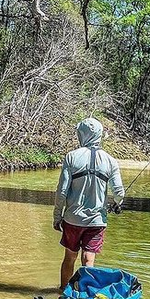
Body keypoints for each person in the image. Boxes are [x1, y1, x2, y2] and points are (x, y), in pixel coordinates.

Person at [53, 118, 124, 290]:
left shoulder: (71, 157)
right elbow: (119, 192)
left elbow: (61, 192)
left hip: (72, 219)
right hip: (97, 221)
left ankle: (64, 294)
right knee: (88, 259)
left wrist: (57, 216)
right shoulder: (111, 161)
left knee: (69, 257)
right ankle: (84, 295)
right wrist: (116, 203)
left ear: (82, 134)